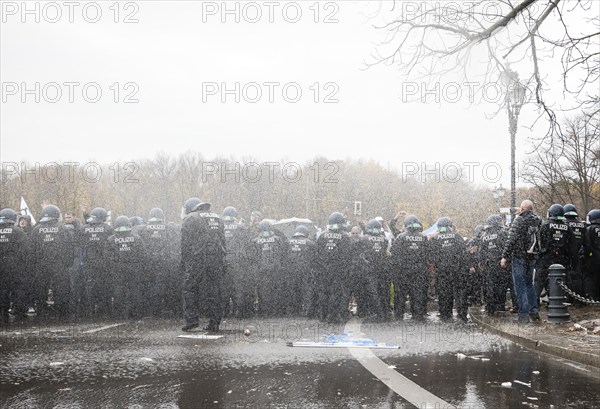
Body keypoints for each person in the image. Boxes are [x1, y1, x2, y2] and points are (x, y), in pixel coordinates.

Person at [181, 198, 226, 332]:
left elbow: (185, 244)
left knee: (189, 288)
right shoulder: (218, 217)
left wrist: (185, 262)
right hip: (216, 258)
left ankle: (192, 320)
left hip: (198, 258)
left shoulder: (190, 218)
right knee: (214, 290)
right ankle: (215, 322)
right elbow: (222, 240)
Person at [29, 205, 74, 318]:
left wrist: (35, 264)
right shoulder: (62, 228)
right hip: (59, 265)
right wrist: (67, 263)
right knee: (61, 288)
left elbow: (31, 250)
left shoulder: (36, 229)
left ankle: (41, 312)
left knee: (41, 288)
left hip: (41, 265)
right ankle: (62, 313)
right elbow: (69, 248)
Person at [500, 200, 542, 323]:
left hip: (519, 256)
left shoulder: (519, 220)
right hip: (532, 256)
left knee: (520, 286)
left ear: (523, 209)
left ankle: (523, 315)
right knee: (530, 284)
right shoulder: (538, 220)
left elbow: (511, 238)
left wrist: (504, 256)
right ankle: (534, 312)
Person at [137, 207, 180, 316]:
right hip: (166, 262)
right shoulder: (170, 228)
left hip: (149, 262)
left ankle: (153, 310)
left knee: (150, 286)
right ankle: (171, 308)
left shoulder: (142, 229)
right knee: (168, 286)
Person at [535, 204, 577, 303]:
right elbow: (572, 247)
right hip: (561, 259)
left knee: (539, 282)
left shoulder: (545, 225)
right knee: (557, 281)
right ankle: (556, 302)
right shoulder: (567, 227)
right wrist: (573, 262)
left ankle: (535, 305)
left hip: (546, 258)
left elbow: (540, 243)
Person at [391, 215, 430, 321]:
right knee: (417, 294)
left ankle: (399, 316)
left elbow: (394, 255)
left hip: (402, 271)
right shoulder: (423, 237)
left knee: (400, 295)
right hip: (419, 271)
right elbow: (428, 255)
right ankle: (417, 315)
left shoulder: (400, 237)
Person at [107, 216, 147, 319]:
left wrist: (114, 266)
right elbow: (143, 254)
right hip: (134, 268)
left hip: (117, 269)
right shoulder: (136, 238)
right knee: (134, 290)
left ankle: (119, 314)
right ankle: (135, 313)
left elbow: (107, 257)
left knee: (118, 289)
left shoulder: (111, 239)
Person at [316, 212, 352, 323]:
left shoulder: (322, 236)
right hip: (339, 270)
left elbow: (317, 254)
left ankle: (323, 315)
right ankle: (333, 316)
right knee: (336, 293)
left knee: (324, 292)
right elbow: (348, 256)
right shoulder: (345, 237)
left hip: (324, 270)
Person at [430, 217, 467, 321]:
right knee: (460, 293)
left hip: (442, 271)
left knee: (444, 293)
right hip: (457, 270)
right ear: (450, 226)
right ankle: (462, 313)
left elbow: (432, 255)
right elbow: (463, 253)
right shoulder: (457, 236)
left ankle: (445, 314)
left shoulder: (436, 239)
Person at [248, 219, 289, 316]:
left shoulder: (255, 241)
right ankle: (275, 311)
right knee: (276, 290)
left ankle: (264, 311)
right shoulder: (278, 240)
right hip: (276, 270)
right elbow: (284, 253)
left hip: (261, 271)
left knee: (262, 291)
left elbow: (251, 257)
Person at [79, 207, 114, 318]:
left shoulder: (83, 228)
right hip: (104, 263)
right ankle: (105, 311)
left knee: (89, 287)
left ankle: (89, 311)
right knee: (104, 286)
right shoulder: (107, 228)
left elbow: (79, 244)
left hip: (88, 263)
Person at [352, 219, 390, 321]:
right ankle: (384, 313)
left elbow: (355, 250)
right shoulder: (384, 239)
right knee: (382, 292)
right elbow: (386, 254)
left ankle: (374, 313)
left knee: (371, 292)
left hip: (368, 270)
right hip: (381, 271)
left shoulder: (364, 239)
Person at [0, 209, 30, 323]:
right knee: (18, 289)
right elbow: (26, 251)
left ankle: (2, 310)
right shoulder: (18, 232)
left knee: (2, 289)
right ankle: (18, 311)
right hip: (16, 267)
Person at [479, 215, 509, 315]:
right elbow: (507, 247)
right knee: (501, 285)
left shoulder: (484, 237)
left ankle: (490, 307)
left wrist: (482, 262)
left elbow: (481, 252)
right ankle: (500, 305)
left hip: (489, 265)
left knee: (489, 286)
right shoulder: (503, 233)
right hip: (501, 264)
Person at [286, 225, 317, 316]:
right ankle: (306, 310)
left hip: (291, 271)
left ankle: (293, 310)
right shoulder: (310, 243)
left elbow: (284, 257)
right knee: (306, 291)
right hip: (305, 270)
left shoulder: (288, 242)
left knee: (293, 290)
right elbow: (315, 257)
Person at [563, 204, 587, 302]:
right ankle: (578, 299)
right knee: (577, 276)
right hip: (579, 254)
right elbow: (586, 240)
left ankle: (568, 299)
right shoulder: (582, 225)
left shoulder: (565, 224)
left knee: (566, 276)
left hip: (566, 254)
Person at [583, 209, 600, 300]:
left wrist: (586, 255)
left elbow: (587, 244)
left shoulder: (590, 229)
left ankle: (590, 296)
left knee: (589, 277)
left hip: (592, 257)